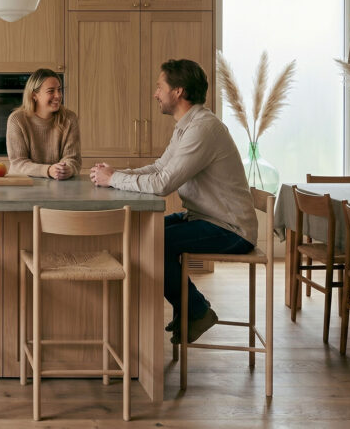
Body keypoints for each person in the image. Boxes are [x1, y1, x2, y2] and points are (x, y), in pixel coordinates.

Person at [89, 59, 258, 345]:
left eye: (160, 87)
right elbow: (159, 167)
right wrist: (116, 174)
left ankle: (197, 311)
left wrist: (114, 178)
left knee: (155, 242)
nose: (156, 93)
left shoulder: (203, 129)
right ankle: (189, 311)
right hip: (203, 218)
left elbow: (162, 184)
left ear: (178, 91)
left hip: (230, 229)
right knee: (143, 234)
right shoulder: (186, 127)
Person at [6, 68, 81, 179]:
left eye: (59, 90)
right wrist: (48, 170)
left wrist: (68, 168)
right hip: (24, 184)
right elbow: (18, 163)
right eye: (51, 91)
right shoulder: (17, 120)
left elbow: (73, 158)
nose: (58, 95)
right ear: (34, 95)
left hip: (59, 183)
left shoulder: (69, 118)